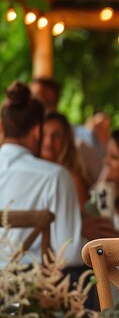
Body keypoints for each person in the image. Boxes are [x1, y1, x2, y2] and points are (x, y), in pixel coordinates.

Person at [0, 82, 82, 268]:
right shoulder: (55, 176)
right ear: (38, 131)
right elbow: (69, 254)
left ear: (1, 127)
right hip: (32, 290)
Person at [41, 112, 90, 208]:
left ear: (65, 139)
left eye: (56, 135)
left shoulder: (73, 179)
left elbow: (85, 220)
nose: (48, 141)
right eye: (43, 134)